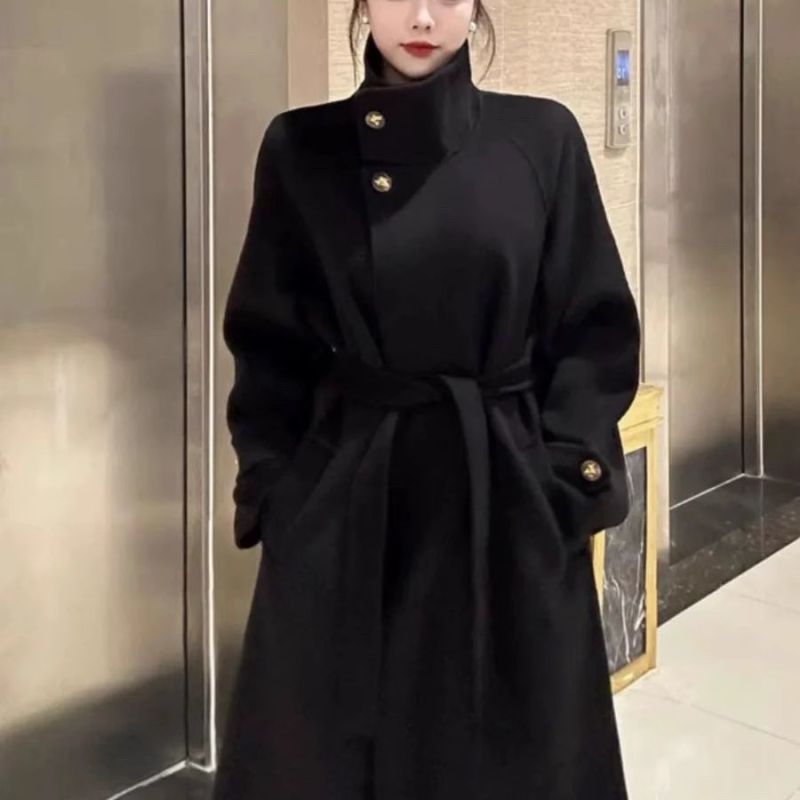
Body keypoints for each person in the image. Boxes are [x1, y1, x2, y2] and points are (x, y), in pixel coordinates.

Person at [211, 2, 641, 799]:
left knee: (515, 761)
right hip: (347, 501)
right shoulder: (301, 147)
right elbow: (268, 341)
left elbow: (593, 327)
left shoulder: (540, 137)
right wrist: (277, 489)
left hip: (505, 498)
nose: (420, 15)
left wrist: (564, 478)